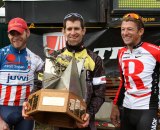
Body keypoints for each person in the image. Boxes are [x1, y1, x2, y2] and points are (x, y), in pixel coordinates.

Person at [22, 13, 107, 130]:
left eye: (76, 28)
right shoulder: (55, 58)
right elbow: (39, 84)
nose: (73, 33)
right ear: (64, 31)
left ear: (83, 30)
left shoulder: (94, 59)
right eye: (69, 29)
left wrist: (89, 114)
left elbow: (100, 93)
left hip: (83, 122)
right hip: (59, 120)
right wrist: (28, 102)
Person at [110, 13, 160, 130]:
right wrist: (115, 105)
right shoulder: (121, 52)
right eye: (123, 29)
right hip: (127, 109)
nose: (125, 33)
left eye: (130, 29)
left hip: (147, 108)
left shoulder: (155, 51)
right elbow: (123, 82)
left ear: (140, 31)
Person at [0, 17, 44, 130]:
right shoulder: (1, 54)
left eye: (19, 33)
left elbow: (49, 80)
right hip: (2, 112)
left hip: (26, 113)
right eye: (12, 33)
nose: (15, 37)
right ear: (8, 35)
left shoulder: (35, 59)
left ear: (27, 32)